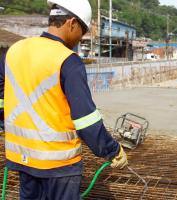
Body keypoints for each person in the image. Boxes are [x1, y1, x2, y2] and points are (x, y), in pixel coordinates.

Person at [0, 0, 128, 199]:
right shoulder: (68, 60)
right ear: (72, 24)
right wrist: (113, 150)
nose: (80, 39)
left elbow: (2, 96)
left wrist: (4, 121)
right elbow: (86, 120)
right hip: (59, 166)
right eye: (82, 32)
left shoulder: (14, 51)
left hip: (22, 159)